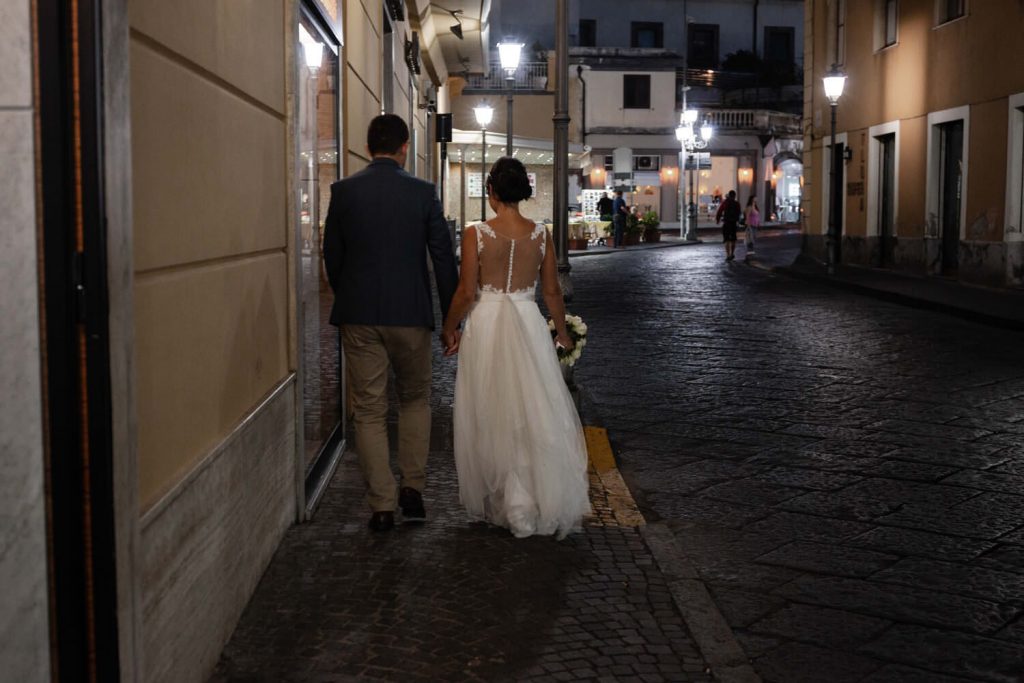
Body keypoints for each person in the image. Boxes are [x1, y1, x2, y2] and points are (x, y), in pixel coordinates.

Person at [441, 157, 590, 539]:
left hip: (488, 324)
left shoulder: (477, 233)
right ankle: (529, 500)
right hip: (526, 322)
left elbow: (466, 291)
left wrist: (449, 326)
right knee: (532, 411)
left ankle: (510, 498)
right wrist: (562, 332)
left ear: (491, 192)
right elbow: (553, 290)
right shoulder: (541, 233)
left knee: (491, 411)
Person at [323, 114, 459, 533]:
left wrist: (352, 292)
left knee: (368, 409)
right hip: (411, 315)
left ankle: (381, 504)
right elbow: (442, 257)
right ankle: (412, 489)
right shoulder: (423, 193)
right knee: (415, 399)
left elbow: (332, 255)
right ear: (404, 148)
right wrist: (452, 318)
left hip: (360, 315)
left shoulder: (343, 192)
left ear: (368, 149)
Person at [715, 189, 742, 261]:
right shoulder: (737, 203)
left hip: (726, 223)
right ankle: (732, 253)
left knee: (726, 239)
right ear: (734, 196)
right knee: (733, 239)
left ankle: (728, 254)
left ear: (729, 195)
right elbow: (739, 213)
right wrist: (738, 221)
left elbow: (719, 211)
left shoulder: (725, 203)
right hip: (733, 223)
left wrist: (717, 220)